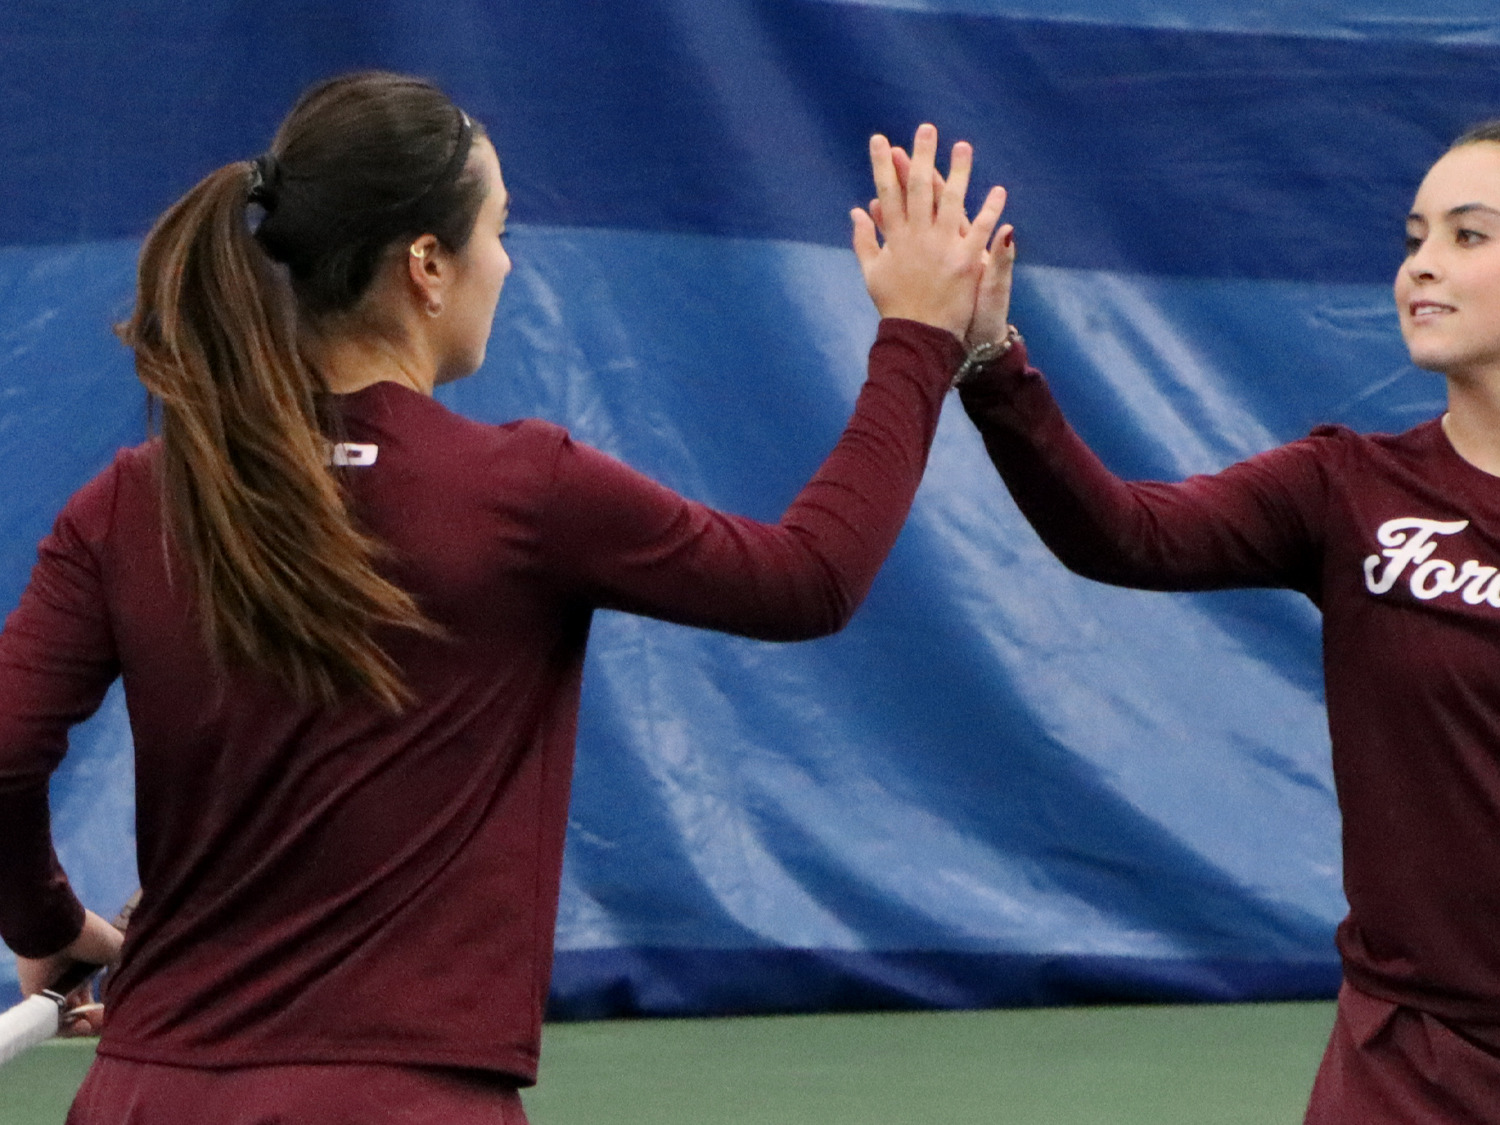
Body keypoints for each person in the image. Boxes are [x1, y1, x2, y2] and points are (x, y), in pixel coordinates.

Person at [0, 71, 1004, 1122]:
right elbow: (810, 578)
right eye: (499, 230)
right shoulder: (525, 491)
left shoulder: (126, 502)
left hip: (143, 1098)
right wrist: (919, 333)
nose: (506, 263)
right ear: (427, 266)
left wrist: (44, 919)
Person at [949, 120, 1500, 1124]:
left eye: (1467, 237)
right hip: (1419, 1057)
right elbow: (1120, 536)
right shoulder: (1343, 490)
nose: (1419, 268)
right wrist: (992, 360)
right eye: (1413, 237)